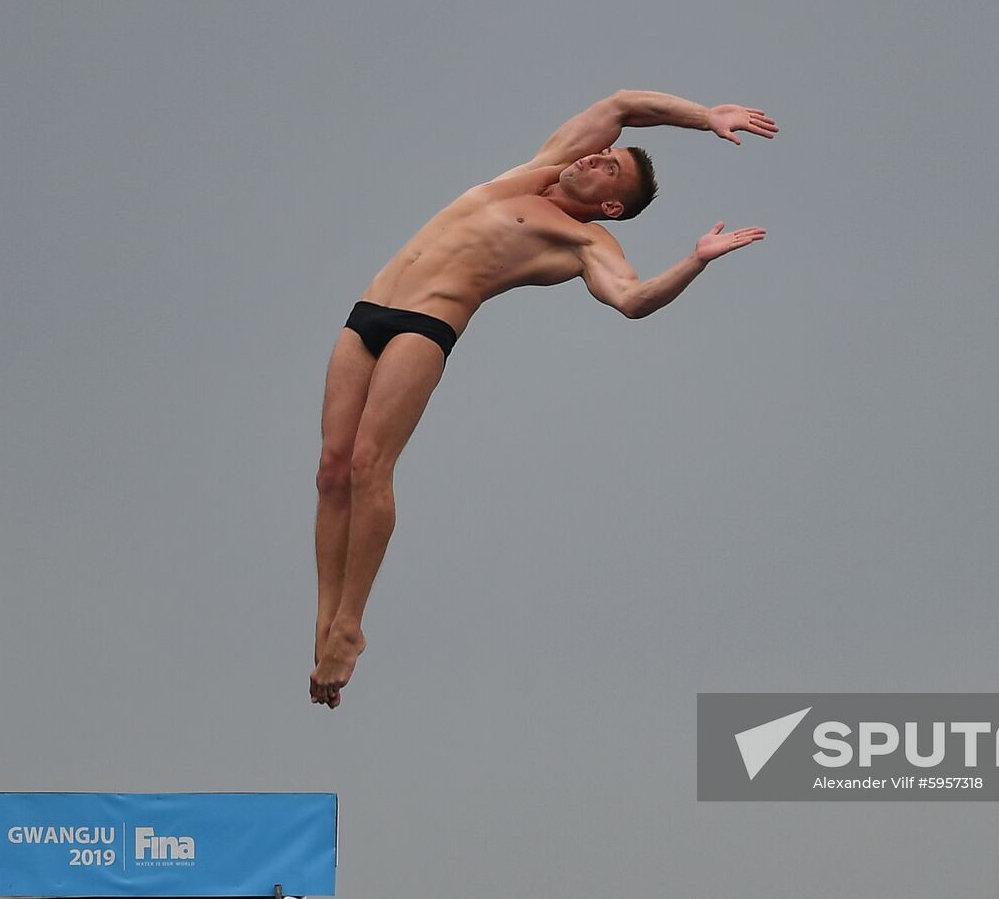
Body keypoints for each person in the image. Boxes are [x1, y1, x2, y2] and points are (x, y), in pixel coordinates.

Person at [310, 89, 779, 707]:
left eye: (609, 167)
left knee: (371, 464)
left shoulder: (585, 243)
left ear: (610, 205)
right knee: (331, 470)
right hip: (367, 313)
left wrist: (694, 261)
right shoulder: (533, 172)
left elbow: (632, 301)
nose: (596, 157)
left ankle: (350, 624)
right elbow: (623, 104)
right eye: (603, 153)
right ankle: (324, 621)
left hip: (424, 327)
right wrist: (706, 118)